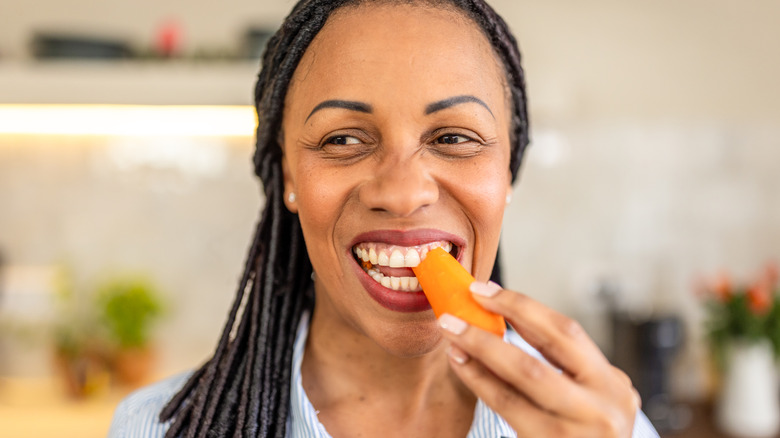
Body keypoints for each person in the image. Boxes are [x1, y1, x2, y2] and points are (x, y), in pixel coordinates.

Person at [109, 0, 659, 437]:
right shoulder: (157, 429)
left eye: (453, 138)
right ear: (288, 177)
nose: (401, 193)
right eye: (343, 139)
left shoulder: (602, 425)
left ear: (507, 172)